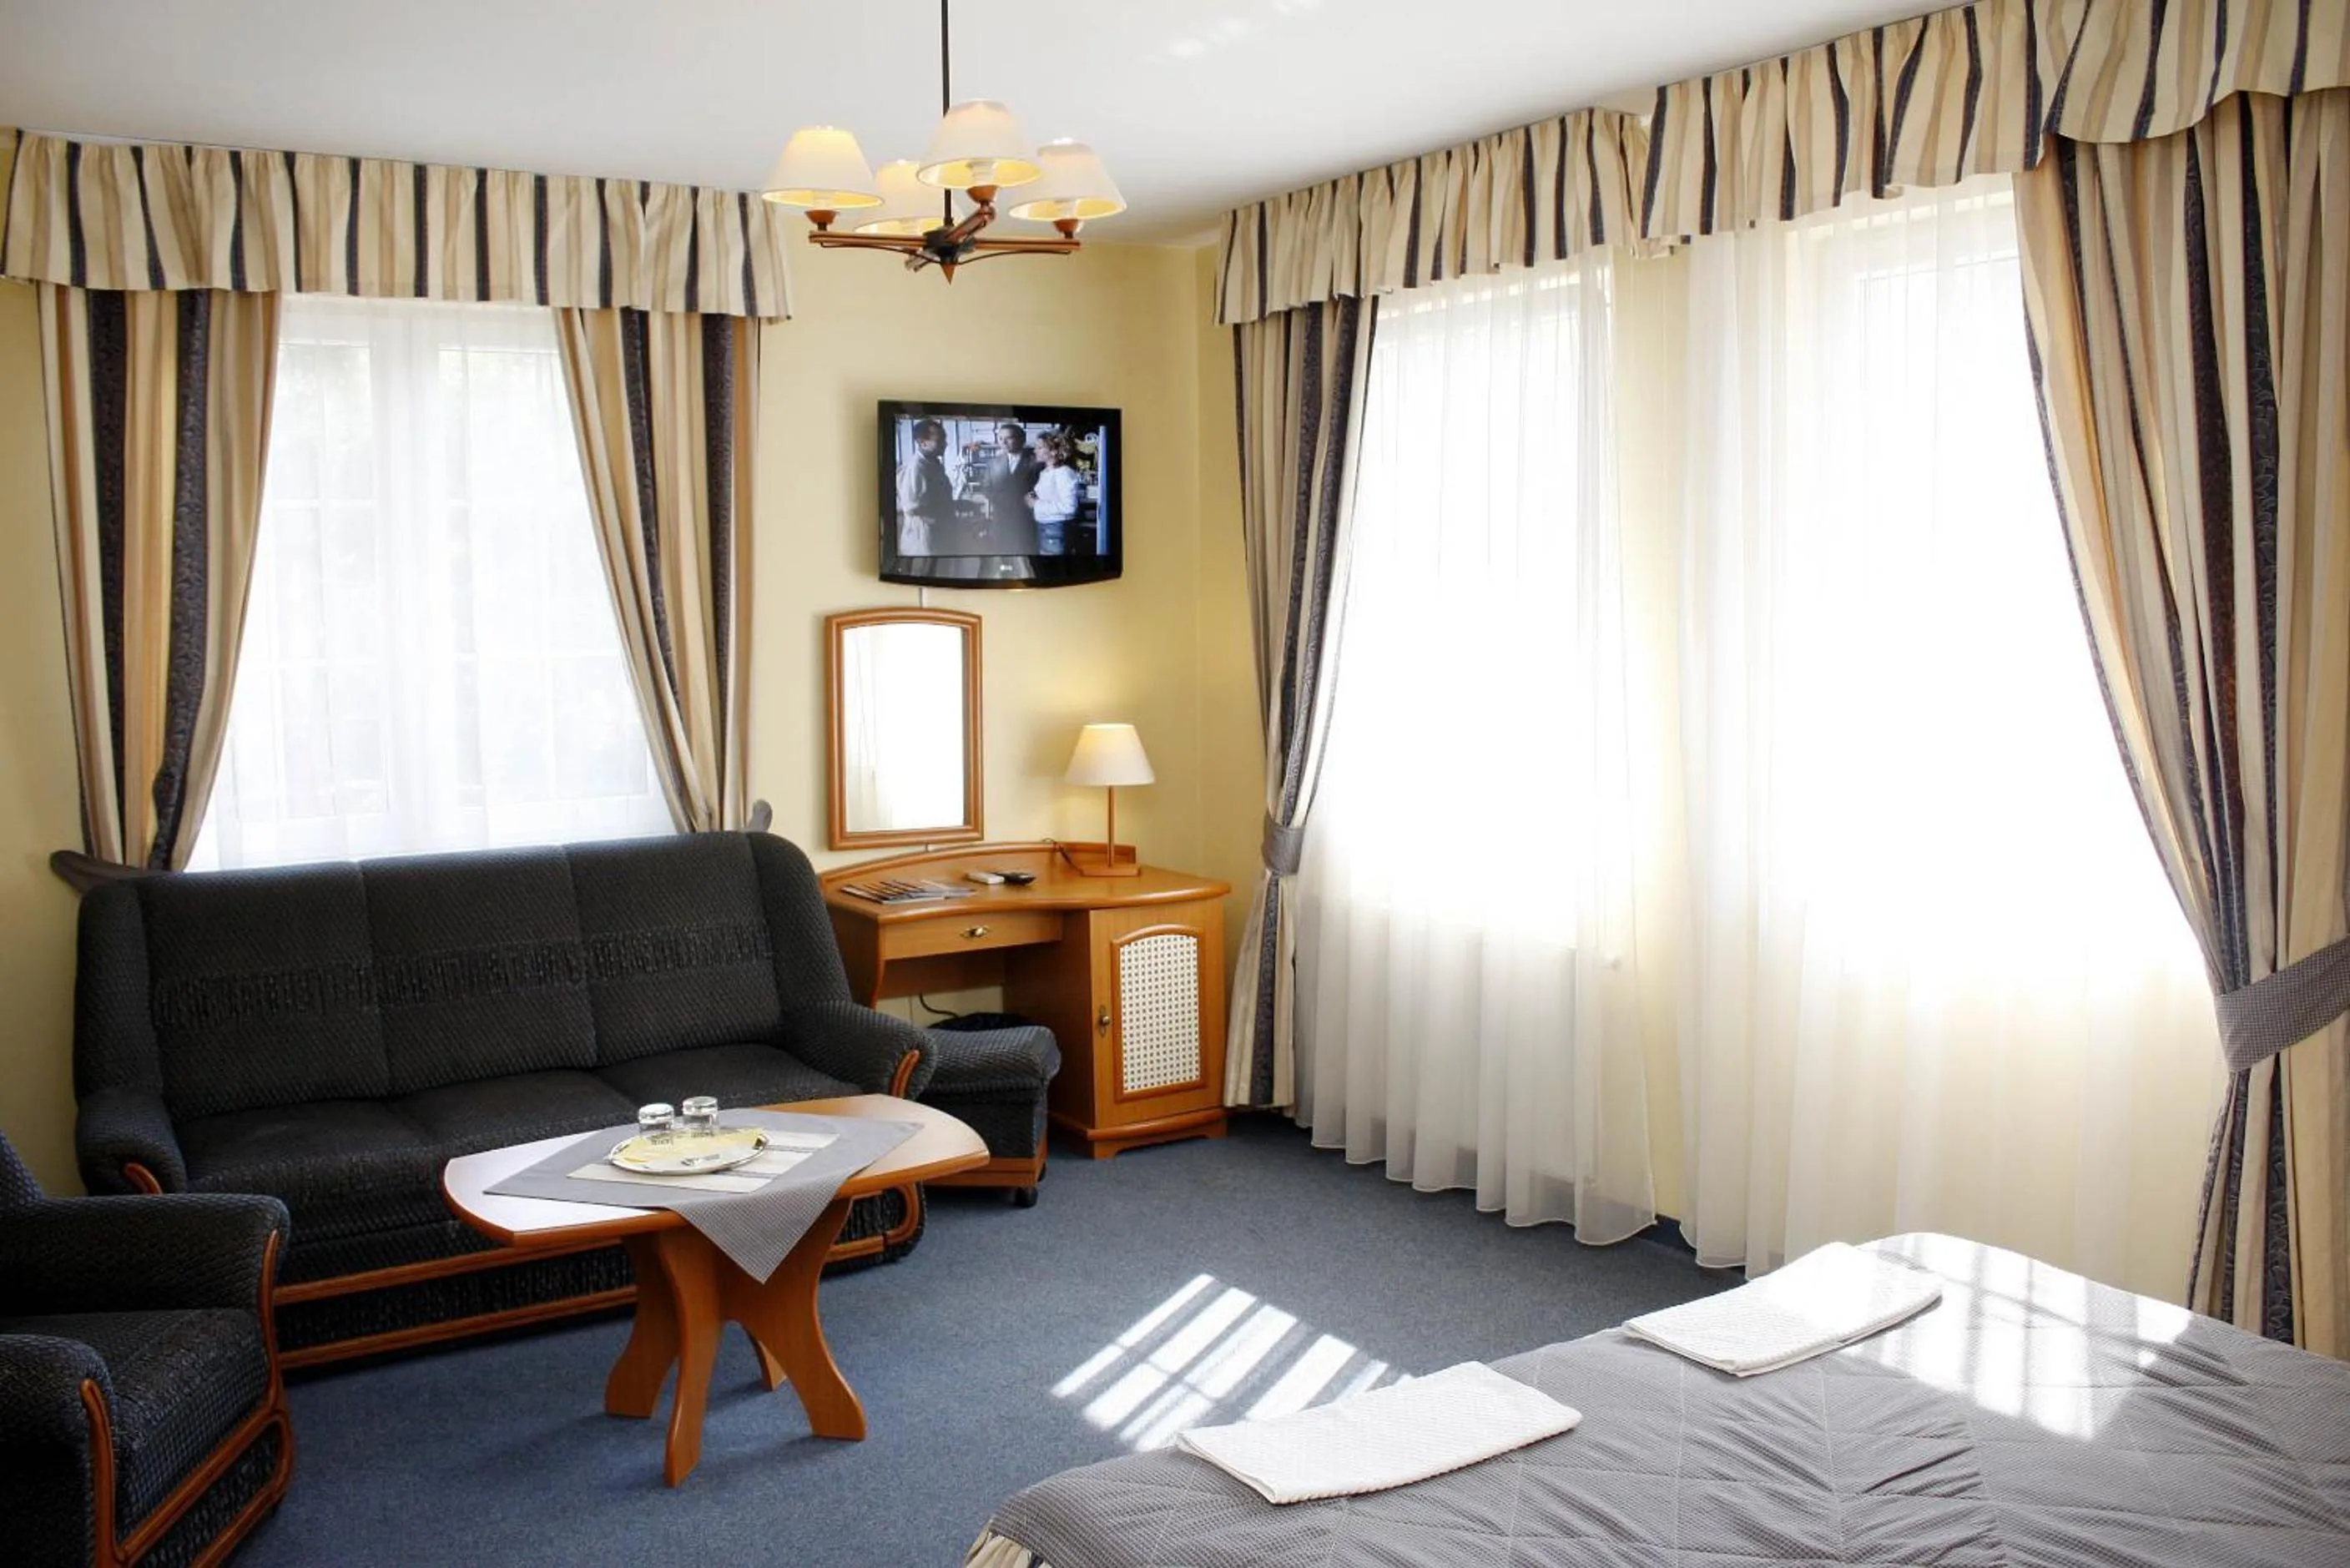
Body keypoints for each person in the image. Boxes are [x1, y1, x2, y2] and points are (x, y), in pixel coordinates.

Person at [980, 421, 1042, 554]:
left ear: (1021, 439)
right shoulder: (993, 463)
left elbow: (1044, 487)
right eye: (1001, 438)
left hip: (1027, 520)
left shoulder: (1036, 461)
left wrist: (1032, 499)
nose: (1003, 442)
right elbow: (986, 487)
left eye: (1009, 438)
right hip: (1001, 520)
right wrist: (1000, 500)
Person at [894, 418, 954, 556]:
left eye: (944, 440)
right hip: (924, 538)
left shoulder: (934, 464)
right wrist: (944, 515)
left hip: (938, 534)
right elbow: (912, 507)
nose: (945, 444)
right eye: (940, 440)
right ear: (923, 443)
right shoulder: (917, 468)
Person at [1029, 431, 1083, 556]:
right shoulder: (1045, 472)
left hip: (1055, 529)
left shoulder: (1064, 473)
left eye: (1040, 447)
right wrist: (1035, 497)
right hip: (1044, 527)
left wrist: (1036, 504)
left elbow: (1069, 507)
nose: (1035, 451)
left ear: (1054, 451)